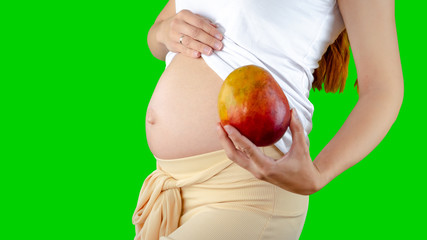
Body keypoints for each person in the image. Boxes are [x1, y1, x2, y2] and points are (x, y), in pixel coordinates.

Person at [132, 0, 404, 239]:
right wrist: (163, 32)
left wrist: (319, 174)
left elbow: (383, 88)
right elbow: (158, 33)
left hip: (247, 193)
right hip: (171, 187)